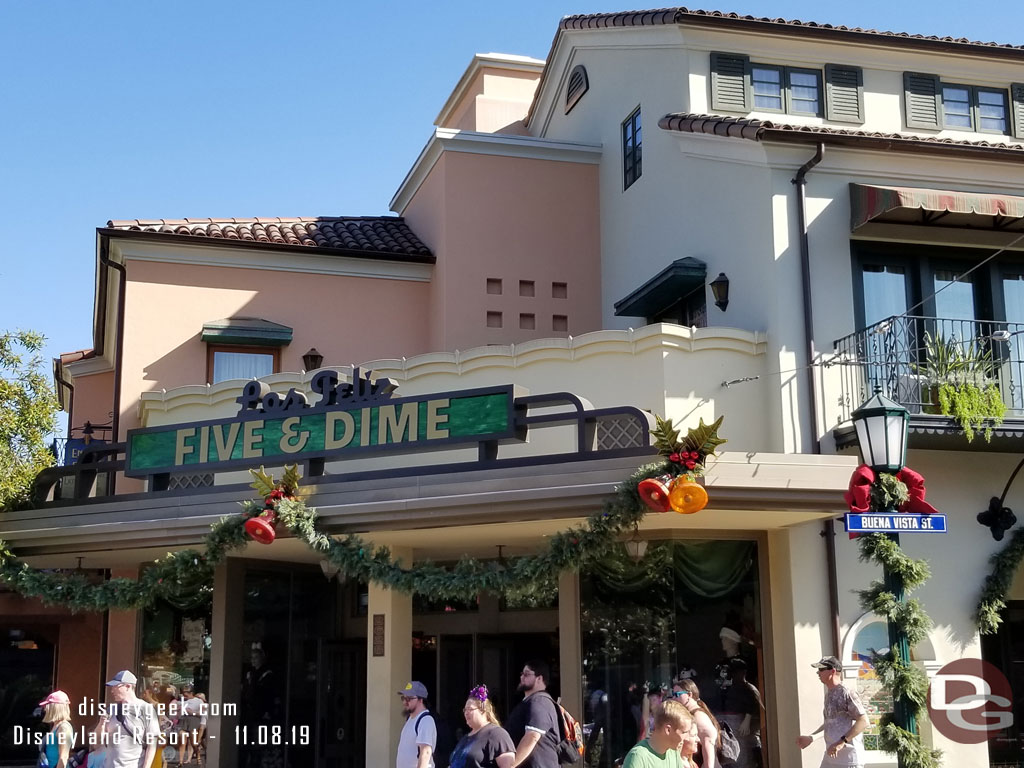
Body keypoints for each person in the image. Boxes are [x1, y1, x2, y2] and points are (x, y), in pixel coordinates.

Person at [796, 656, 869, 767]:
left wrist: (841, 743)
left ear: (833, 671)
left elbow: (863, 721)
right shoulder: (828, 695)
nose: (818, 673)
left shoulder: (847, 693)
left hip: (849, 760)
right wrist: (811, 738)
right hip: (830, 757)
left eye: (821, 669)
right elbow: (830, 723)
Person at [98, 670, 161, 768]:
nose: (112, 690)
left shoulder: (146, 709)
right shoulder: (111, 709)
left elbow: (152, 743)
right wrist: (101, 724)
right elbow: (97, 741)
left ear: (128, 687)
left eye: (116, 686)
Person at [505, 660, 560, 768]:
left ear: (539, 678)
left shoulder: (539, 702)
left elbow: (532, 736)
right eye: (522, 674)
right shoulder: (530, 702)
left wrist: (511, 766)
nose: (522, 677)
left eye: (526, 674)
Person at [448, 685, 515, 768]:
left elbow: (507, 765)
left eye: (470, 709)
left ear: (483, 711)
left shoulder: (497, 734)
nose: (466, 713)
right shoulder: (465, 738)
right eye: (465, 710)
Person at [621, 699, 693, 767]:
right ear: (668, 730)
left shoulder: (673, 752)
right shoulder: (638, 757)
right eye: (684, 732)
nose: (687, 738)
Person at [719, 658, 762, 768]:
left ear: (742, 672)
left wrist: (747, 721)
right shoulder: (731, 688)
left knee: (744, 762)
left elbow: (759, 709)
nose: (732, 675)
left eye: (734, 672)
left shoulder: (749, 689)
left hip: (745, 735)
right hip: (733, 732)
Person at [675, 679, 719, 768]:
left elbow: (709, 743)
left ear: (689, 695)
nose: (674, 698)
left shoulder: (698, 716)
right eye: (673, 695)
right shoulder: (692, 713)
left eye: (677, 694)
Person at [397, 681, 436, 768]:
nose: (405, 702)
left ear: (421, 700)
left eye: (409, 699)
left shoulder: (426, 720)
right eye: (403, 698)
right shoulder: (411, 719)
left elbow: (425, 752)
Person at [39, 690, 74, 768]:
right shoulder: (56, 726)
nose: (45, 709)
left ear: (55, 707)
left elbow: (63, 758)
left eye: (47, 706)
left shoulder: (64, 727)